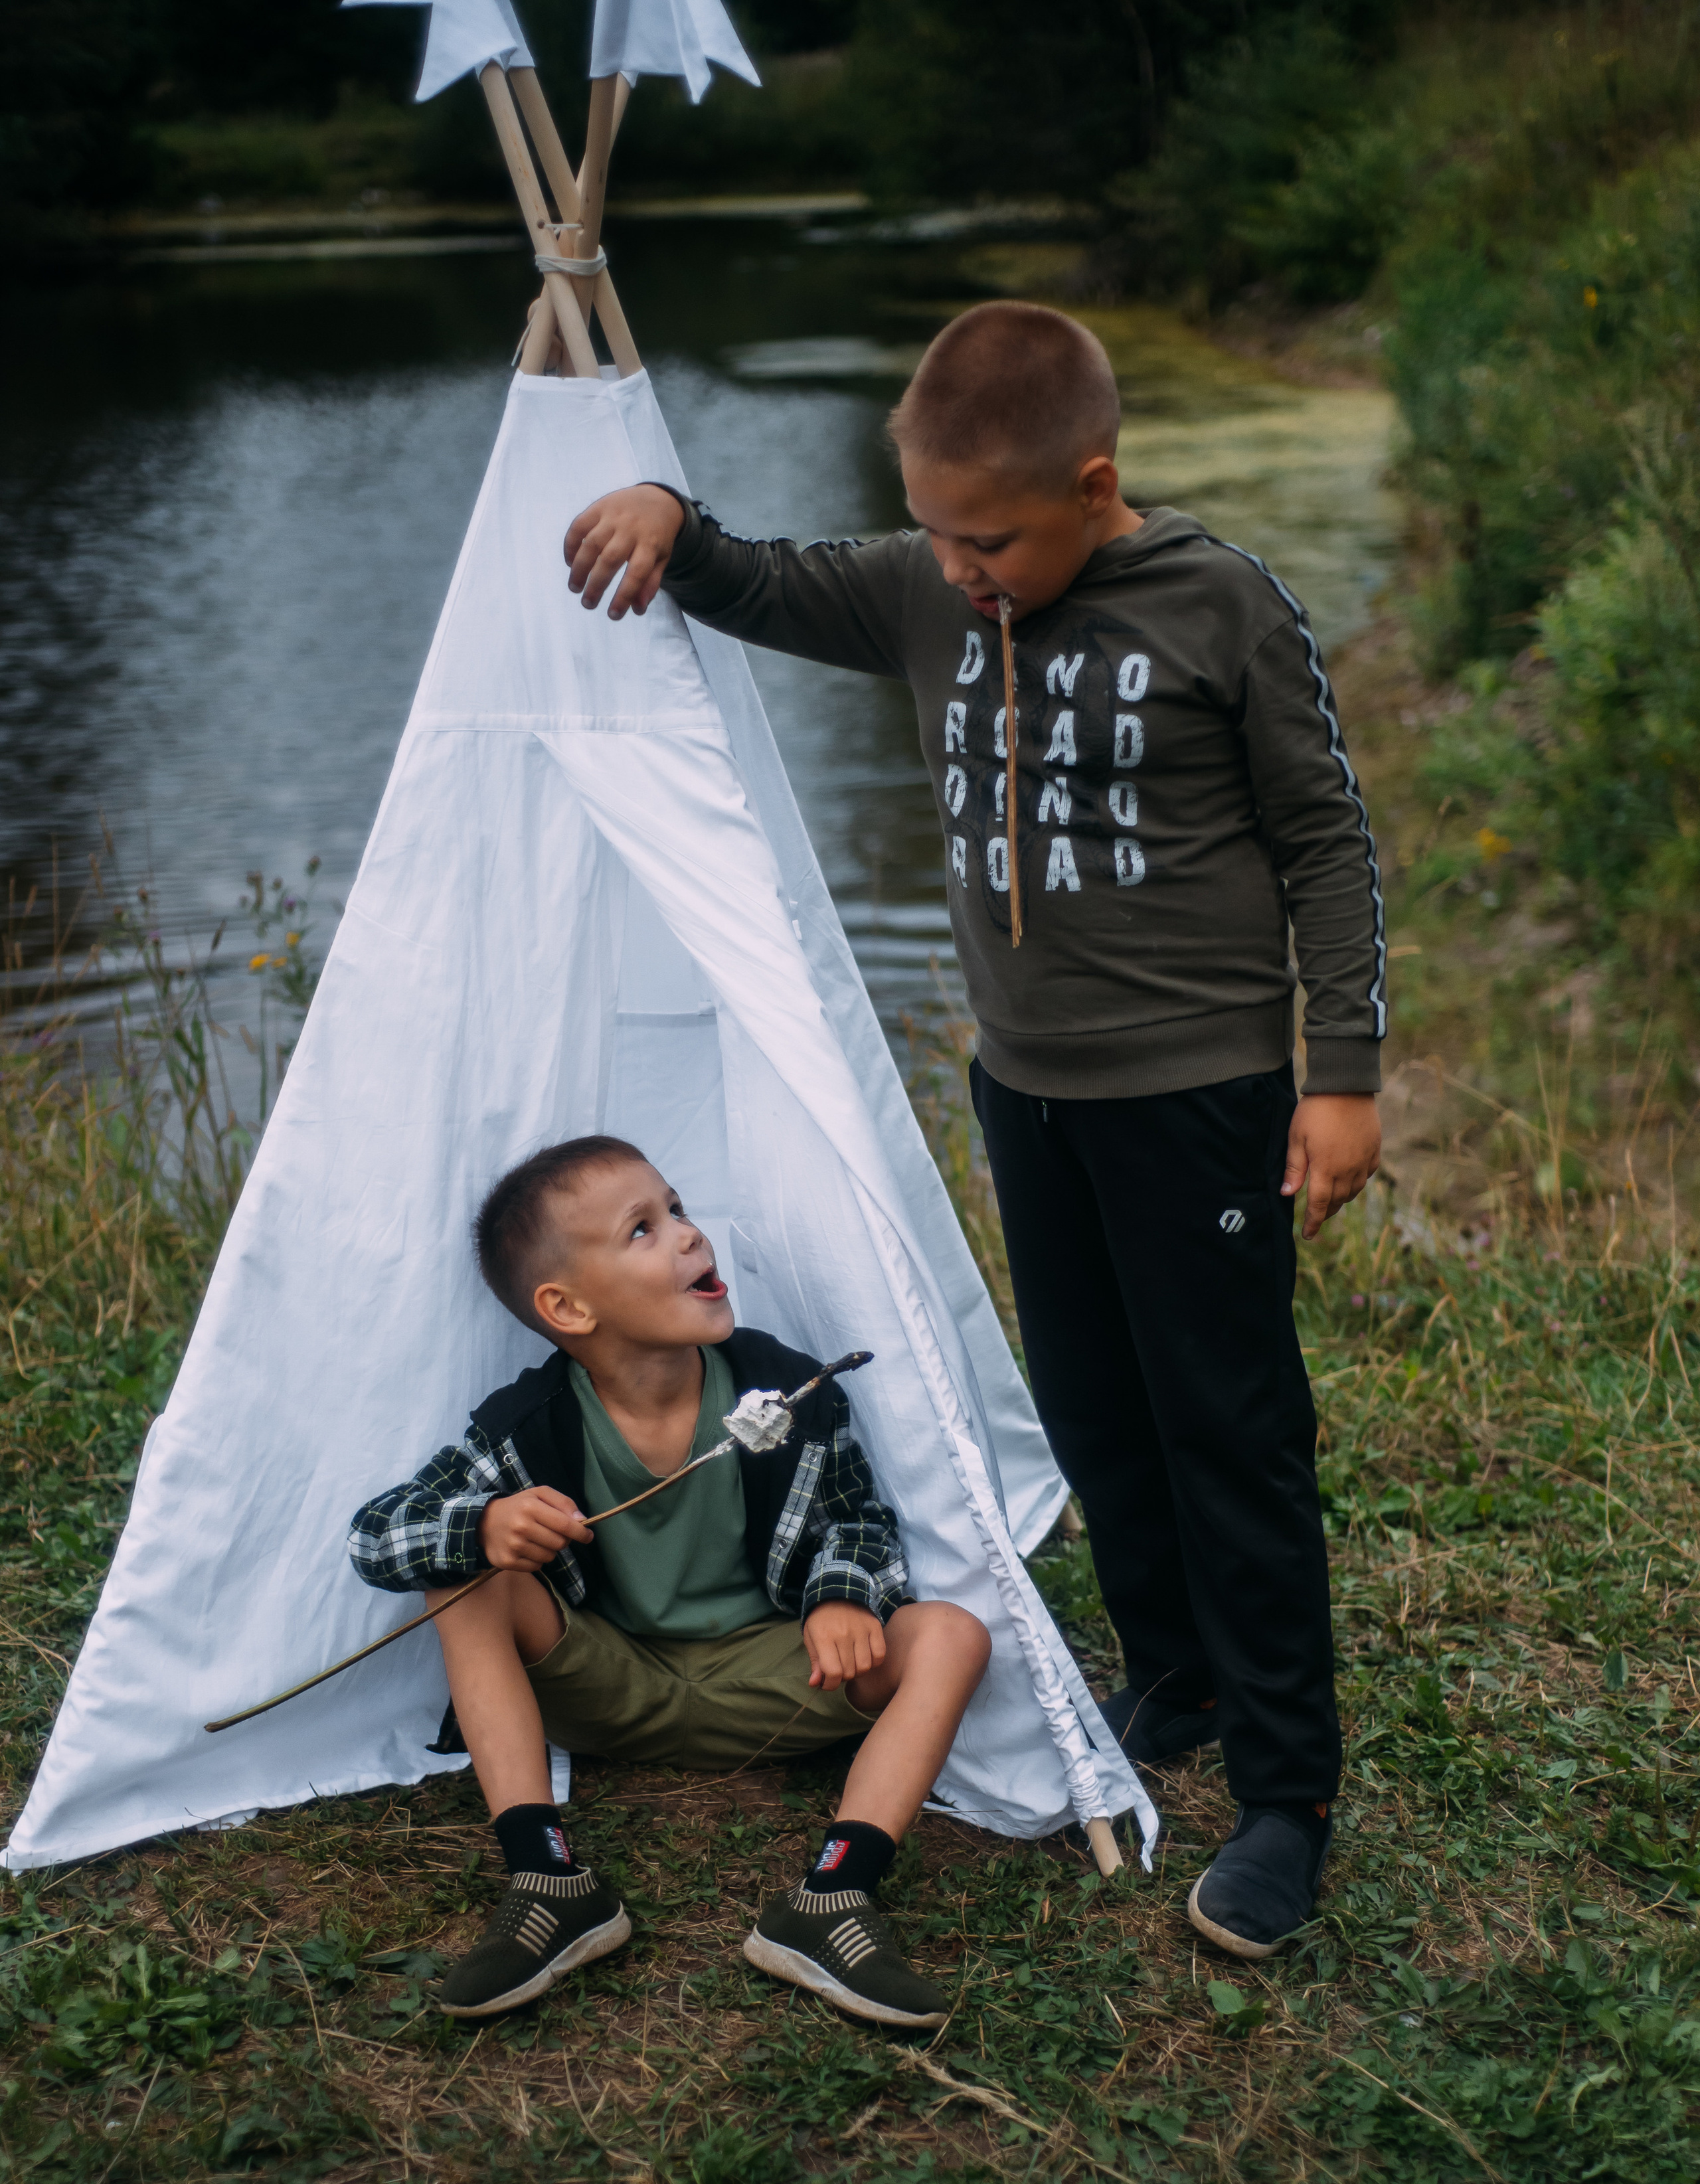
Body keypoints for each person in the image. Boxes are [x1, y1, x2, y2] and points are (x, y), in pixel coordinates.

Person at [562, 301, 1386, 1961]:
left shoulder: (1216, 604)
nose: (956, 571)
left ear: (1092, 484)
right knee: (1091, 1402)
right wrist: (669, 519)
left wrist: (1341, 1073)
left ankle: (1286, 1791)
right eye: (932, 534)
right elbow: (762, 582)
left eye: (989, 541)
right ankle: (1177, 1673)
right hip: (1028, 1091)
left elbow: (1325, 839)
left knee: (1224, 1424)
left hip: (1196, 1094)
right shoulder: (928, 586)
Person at [347, 1135, 990, 2027]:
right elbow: (375, 1535)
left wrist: (843, 1592)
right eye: (643, 1229)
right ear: (567, 1306)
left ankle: (833, 1898)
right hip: (609, 1684)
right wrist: (484, 1525)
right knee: (463, 1579)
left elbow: (858, 1516)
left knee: (951, 1634)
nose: (688, 1234)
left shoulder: (786, 1388)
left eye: (679, 1208)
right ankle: (547, 1879)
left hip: (776, 1680)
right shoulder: (528, 1424)